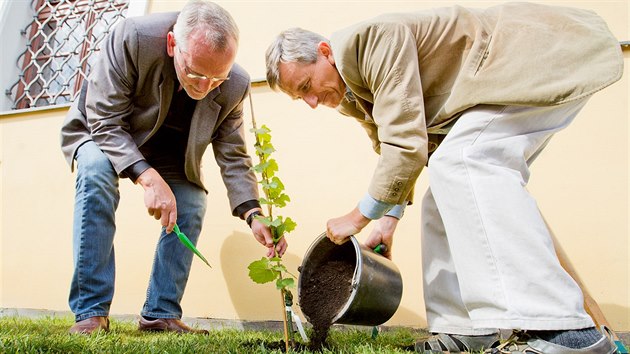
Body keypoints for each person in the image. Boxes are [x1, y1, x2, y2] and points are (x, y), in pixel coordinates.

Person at [265, 2, 622, 353]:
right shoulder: (349, 93)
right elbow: (397, 145)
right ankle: (467, 328)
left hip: (539, 56)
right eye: (301, 98)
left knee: (466, 161)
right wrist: (388, 220)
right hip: (496, 85)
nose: (312, 102)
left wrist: (357, 218)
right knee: (444, 192)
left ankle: (564, 331)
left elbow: (407, 146)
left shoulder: (374, 41)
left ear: (325, 52)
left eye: (307, 86)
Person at [60, 0, 287, 335]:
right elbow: (104, 119)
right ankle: (91, 312)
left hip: (168, 150)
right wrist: (146, 177)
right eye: (195, 73)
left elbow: (233, 153)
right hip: (105, 130)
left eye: (216, 78)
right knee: (95, 174)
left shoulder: (235, 84)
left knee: (192, 202)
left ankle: (160, 313)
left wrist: (254, 213)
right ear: (172, 45)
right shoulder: (134, 37)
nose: (203, 86)